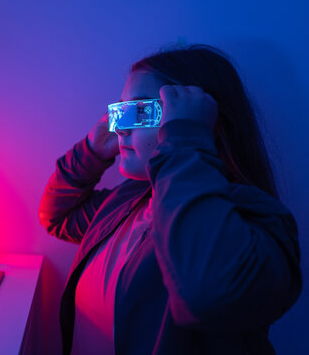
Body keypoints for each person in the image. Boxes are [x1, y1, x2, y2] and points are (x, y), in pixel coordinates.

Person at [38, 44, 302, 354]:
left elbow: (205, 293)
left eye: (141, 111)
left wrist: (186, 137)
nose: (121, 128)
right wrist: (92, 150)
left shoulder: (260, 221)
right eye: (121, 112)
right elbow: (58, 216)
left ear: (203, 121)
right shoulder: (129, 201)